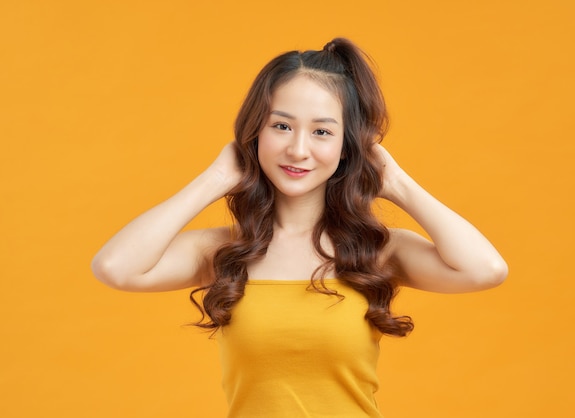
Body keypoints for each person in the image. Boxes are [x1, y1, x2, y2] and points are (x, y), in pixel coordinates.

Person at [92, 37, 508, 417]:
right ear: (255, 132)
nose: (298, 149)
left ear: (348, 147)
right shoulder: (225, 252)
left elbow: (485, 270)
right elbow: (116, 268)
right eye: (281, 126)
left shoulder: (377, 250)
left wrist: (397, 184)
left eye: (322, 131)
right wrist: (215, 179)